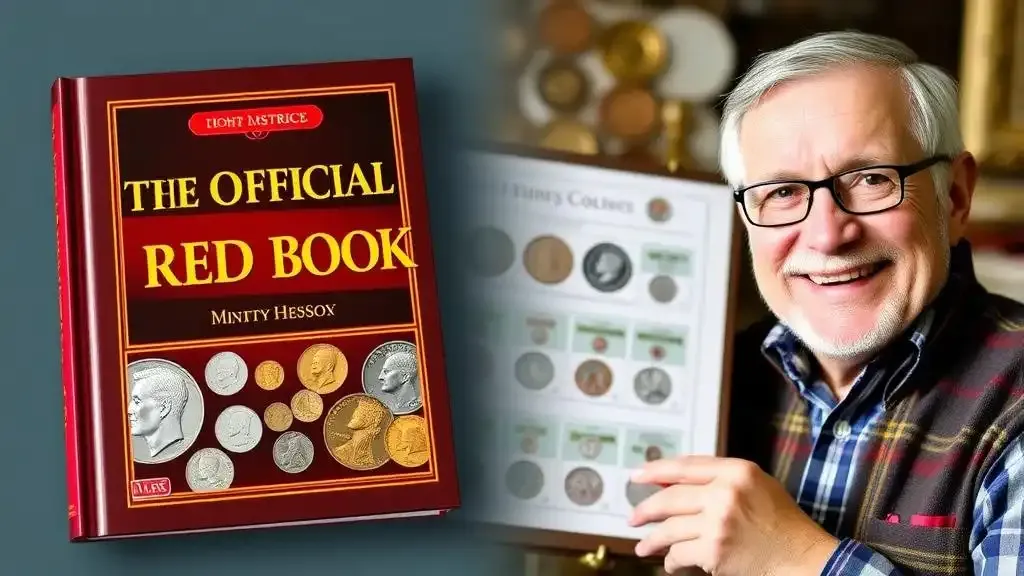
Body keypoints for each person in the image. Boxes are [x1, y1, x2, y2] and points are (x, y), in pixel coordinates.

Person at [628, 31, 1024, 575]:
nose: (826, 235)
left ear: (954, 196)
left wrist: (798, 561)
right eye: (783, 192)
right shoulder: (712, 383)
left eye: (869, 178)